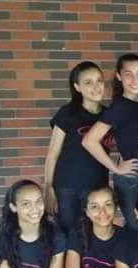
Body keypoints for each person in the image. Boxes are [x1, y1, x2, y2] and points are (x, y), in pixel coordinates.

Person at [83, 53, 138, 231]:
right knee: (135, 226)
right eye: (128, 74)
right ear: (119, 76)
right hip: (131, 177)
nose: (134, 80)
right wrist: (115, 168)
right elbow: (89, 141)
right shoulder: (118, 107)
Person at [44, 61, 109, 234]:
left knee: (93, 234)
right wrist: (48, 188)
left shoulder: (109, 115)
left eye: (99, 80)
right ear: (77, 87)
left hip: (97, 187)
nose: (96, 86)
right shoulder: (67, 113)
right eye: (88, 82)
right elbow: (53, 154)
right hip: (68, 187)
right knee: (69, 236)